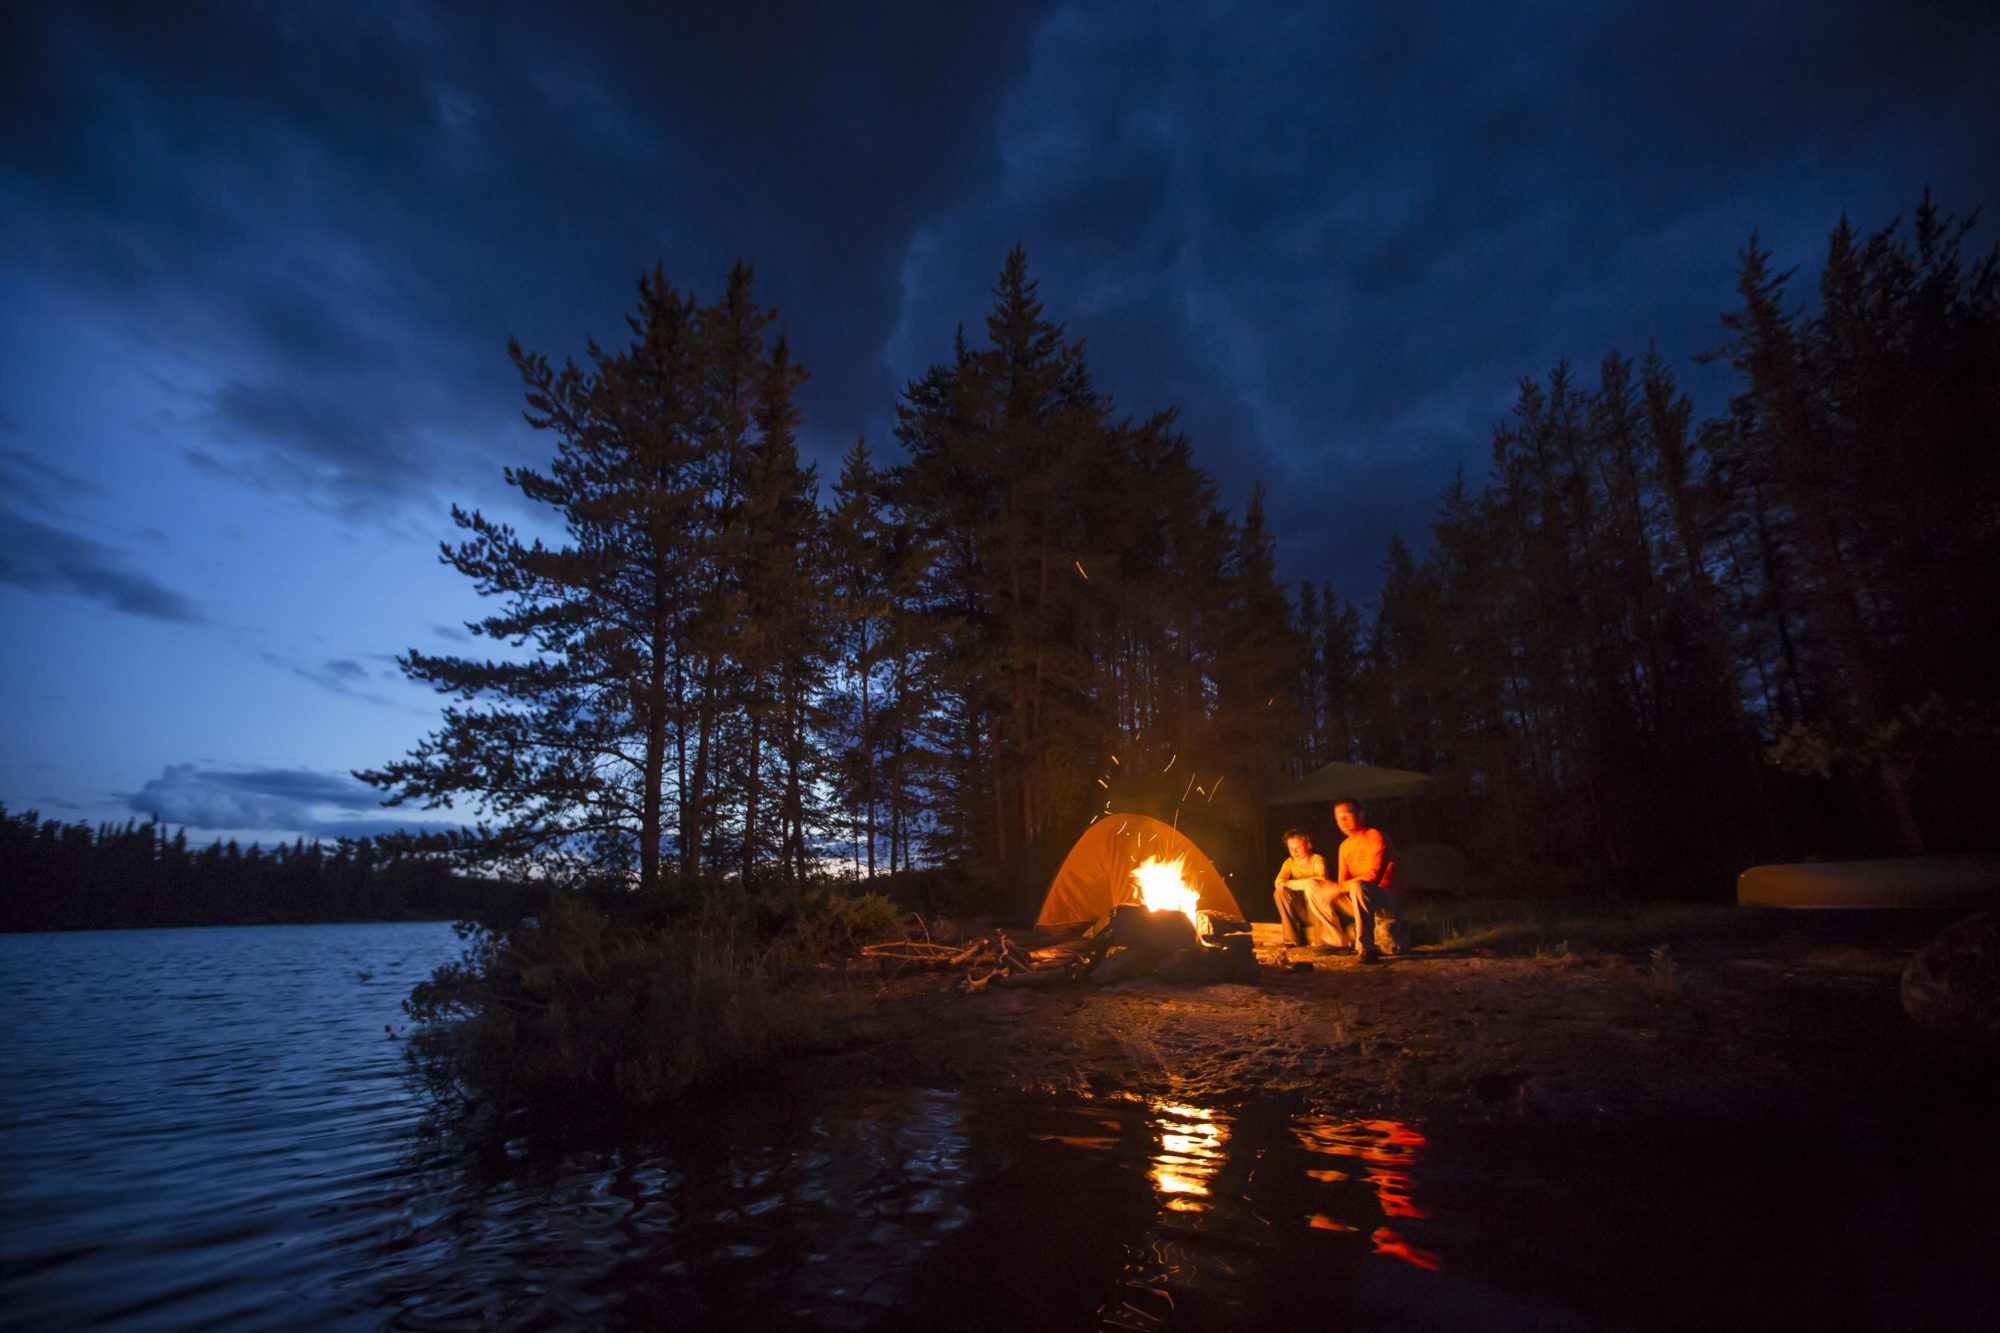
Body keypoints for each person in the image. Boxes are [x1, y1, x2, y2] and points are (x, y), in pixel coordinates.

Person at [1331, 797, 1405, 962]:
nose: (1342, 820)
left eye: (1347, 814)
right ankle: (1334, 941)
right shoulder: (1344, 846)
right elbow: (1341, 882)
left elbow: (1374, 876)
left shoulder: (1375, 836)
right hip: (1359, 897)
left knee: (1358, 885)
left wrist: (1338, 887)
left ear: (1361, 815)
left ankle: (1367, 948)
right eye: (1338, 817)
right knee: (1316, 888)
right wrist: (1328, 889)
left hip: (1385, 896)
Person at [1272, 827, 1350, 952]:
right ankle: (1291, 939)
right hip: (1301, 911)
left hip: (1318, 910)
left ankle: (1322, 942)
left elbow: (1320, 879)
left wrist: (1290, 883)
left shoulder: (1317, 860)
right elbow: (1278, 883)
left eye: (1298, 847)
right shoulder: (1289, 863)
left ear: (1309, 845)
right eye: (1291, 848)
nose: (1294, 852)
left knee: (1315, 891)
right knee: (1279, 893)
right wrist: (1289, 884)